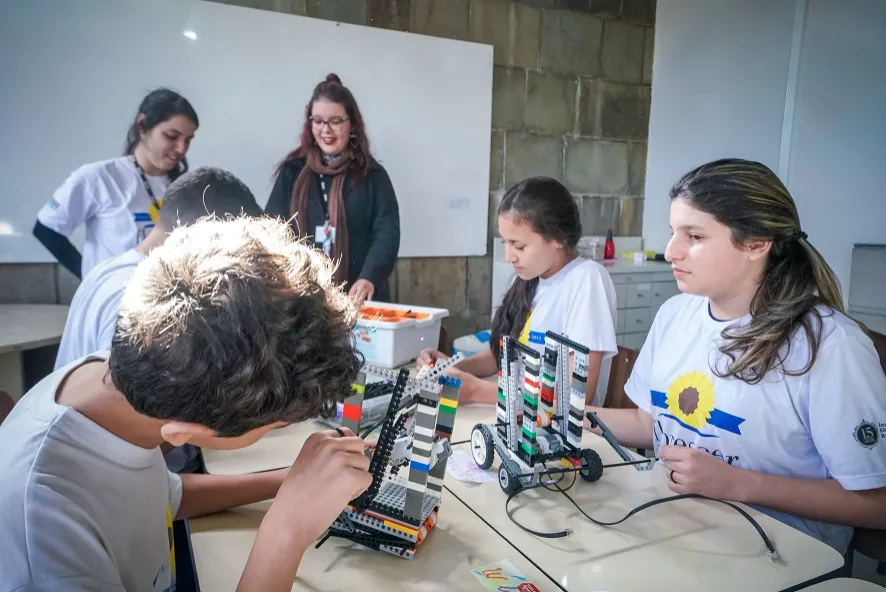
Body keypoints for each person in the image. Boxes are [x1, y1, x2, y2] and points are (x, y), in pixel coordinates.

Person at [0, 215, 373, 592]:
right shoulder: (47, 538)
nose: (280, 425)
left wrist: (292, 481)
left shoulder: (127, 379)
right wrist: (285, 532)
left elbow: (163, 495)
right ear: (182, 434)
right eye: (275, 423)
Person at [585, 158, 886, 556]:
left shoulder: (830, 346)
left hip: (779, 557)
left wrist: (737, 484)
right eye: (673, 233)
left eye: (694, 236)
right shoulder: (675, 314)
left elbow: (877, 504)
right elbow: (649, 422)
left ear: (757, 243)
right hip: (671, 530)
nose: (671, 251)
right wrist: (565, 415)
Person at [52, 166, 265, 474]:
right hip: (124, 473)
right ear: (205, 232)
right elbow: (140, 426)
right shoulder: (141, 300)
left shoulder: (111, 269)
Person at [417, 177, 618, 406]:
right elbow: (502, 357)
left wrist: (474, 391)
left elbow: (574, 397)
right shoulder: (528, 278)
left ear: (558, 238)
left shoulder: (586, 279)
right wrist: (452, 367)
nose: (509, 256)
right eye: (506, 243)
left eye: (519, 246)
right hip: (511, 414)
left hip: (554, 426)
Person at [33, 88, 199, 279]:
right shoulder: (100, 177)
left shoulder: (185, 187)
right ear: (142, 126)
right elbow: (46, 229)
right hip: (117, 295)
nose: (181, 149)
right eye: (171, 136)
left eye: (188, 140)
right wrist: (92, 279)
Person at [265, 73, 400, 305]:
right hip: (302, 301)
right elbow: (272, 228)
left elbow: (387, 233)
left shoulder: (372, 176)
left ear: (352, 124)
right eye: (318, 121)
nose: (325, 130)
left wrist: (369, 277)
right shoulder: (292, 172)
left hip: (358, 300)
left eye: (335, 121)